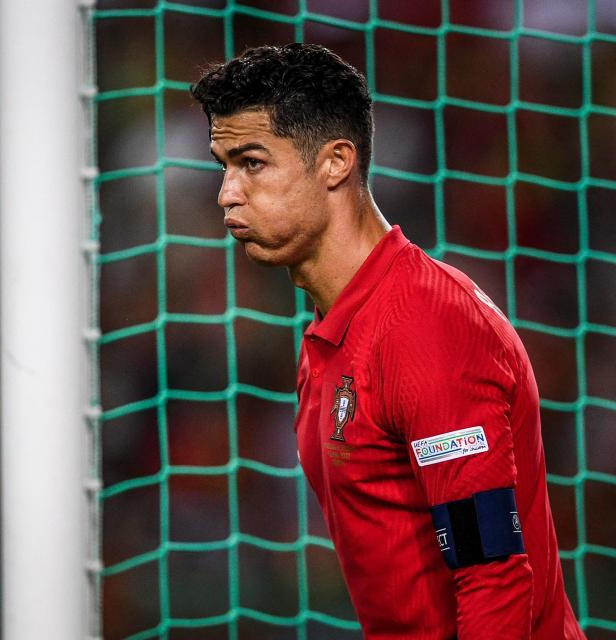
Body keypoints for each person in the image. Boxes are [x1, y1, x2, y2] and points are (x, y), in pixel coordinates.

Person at [191, 43, 584, 639]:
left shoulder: (427, 328)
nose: (227, 192)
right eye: (224, 165)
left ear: (335, 162)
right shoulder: (332, 332)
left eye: (251, 162)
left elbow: (492, 575)